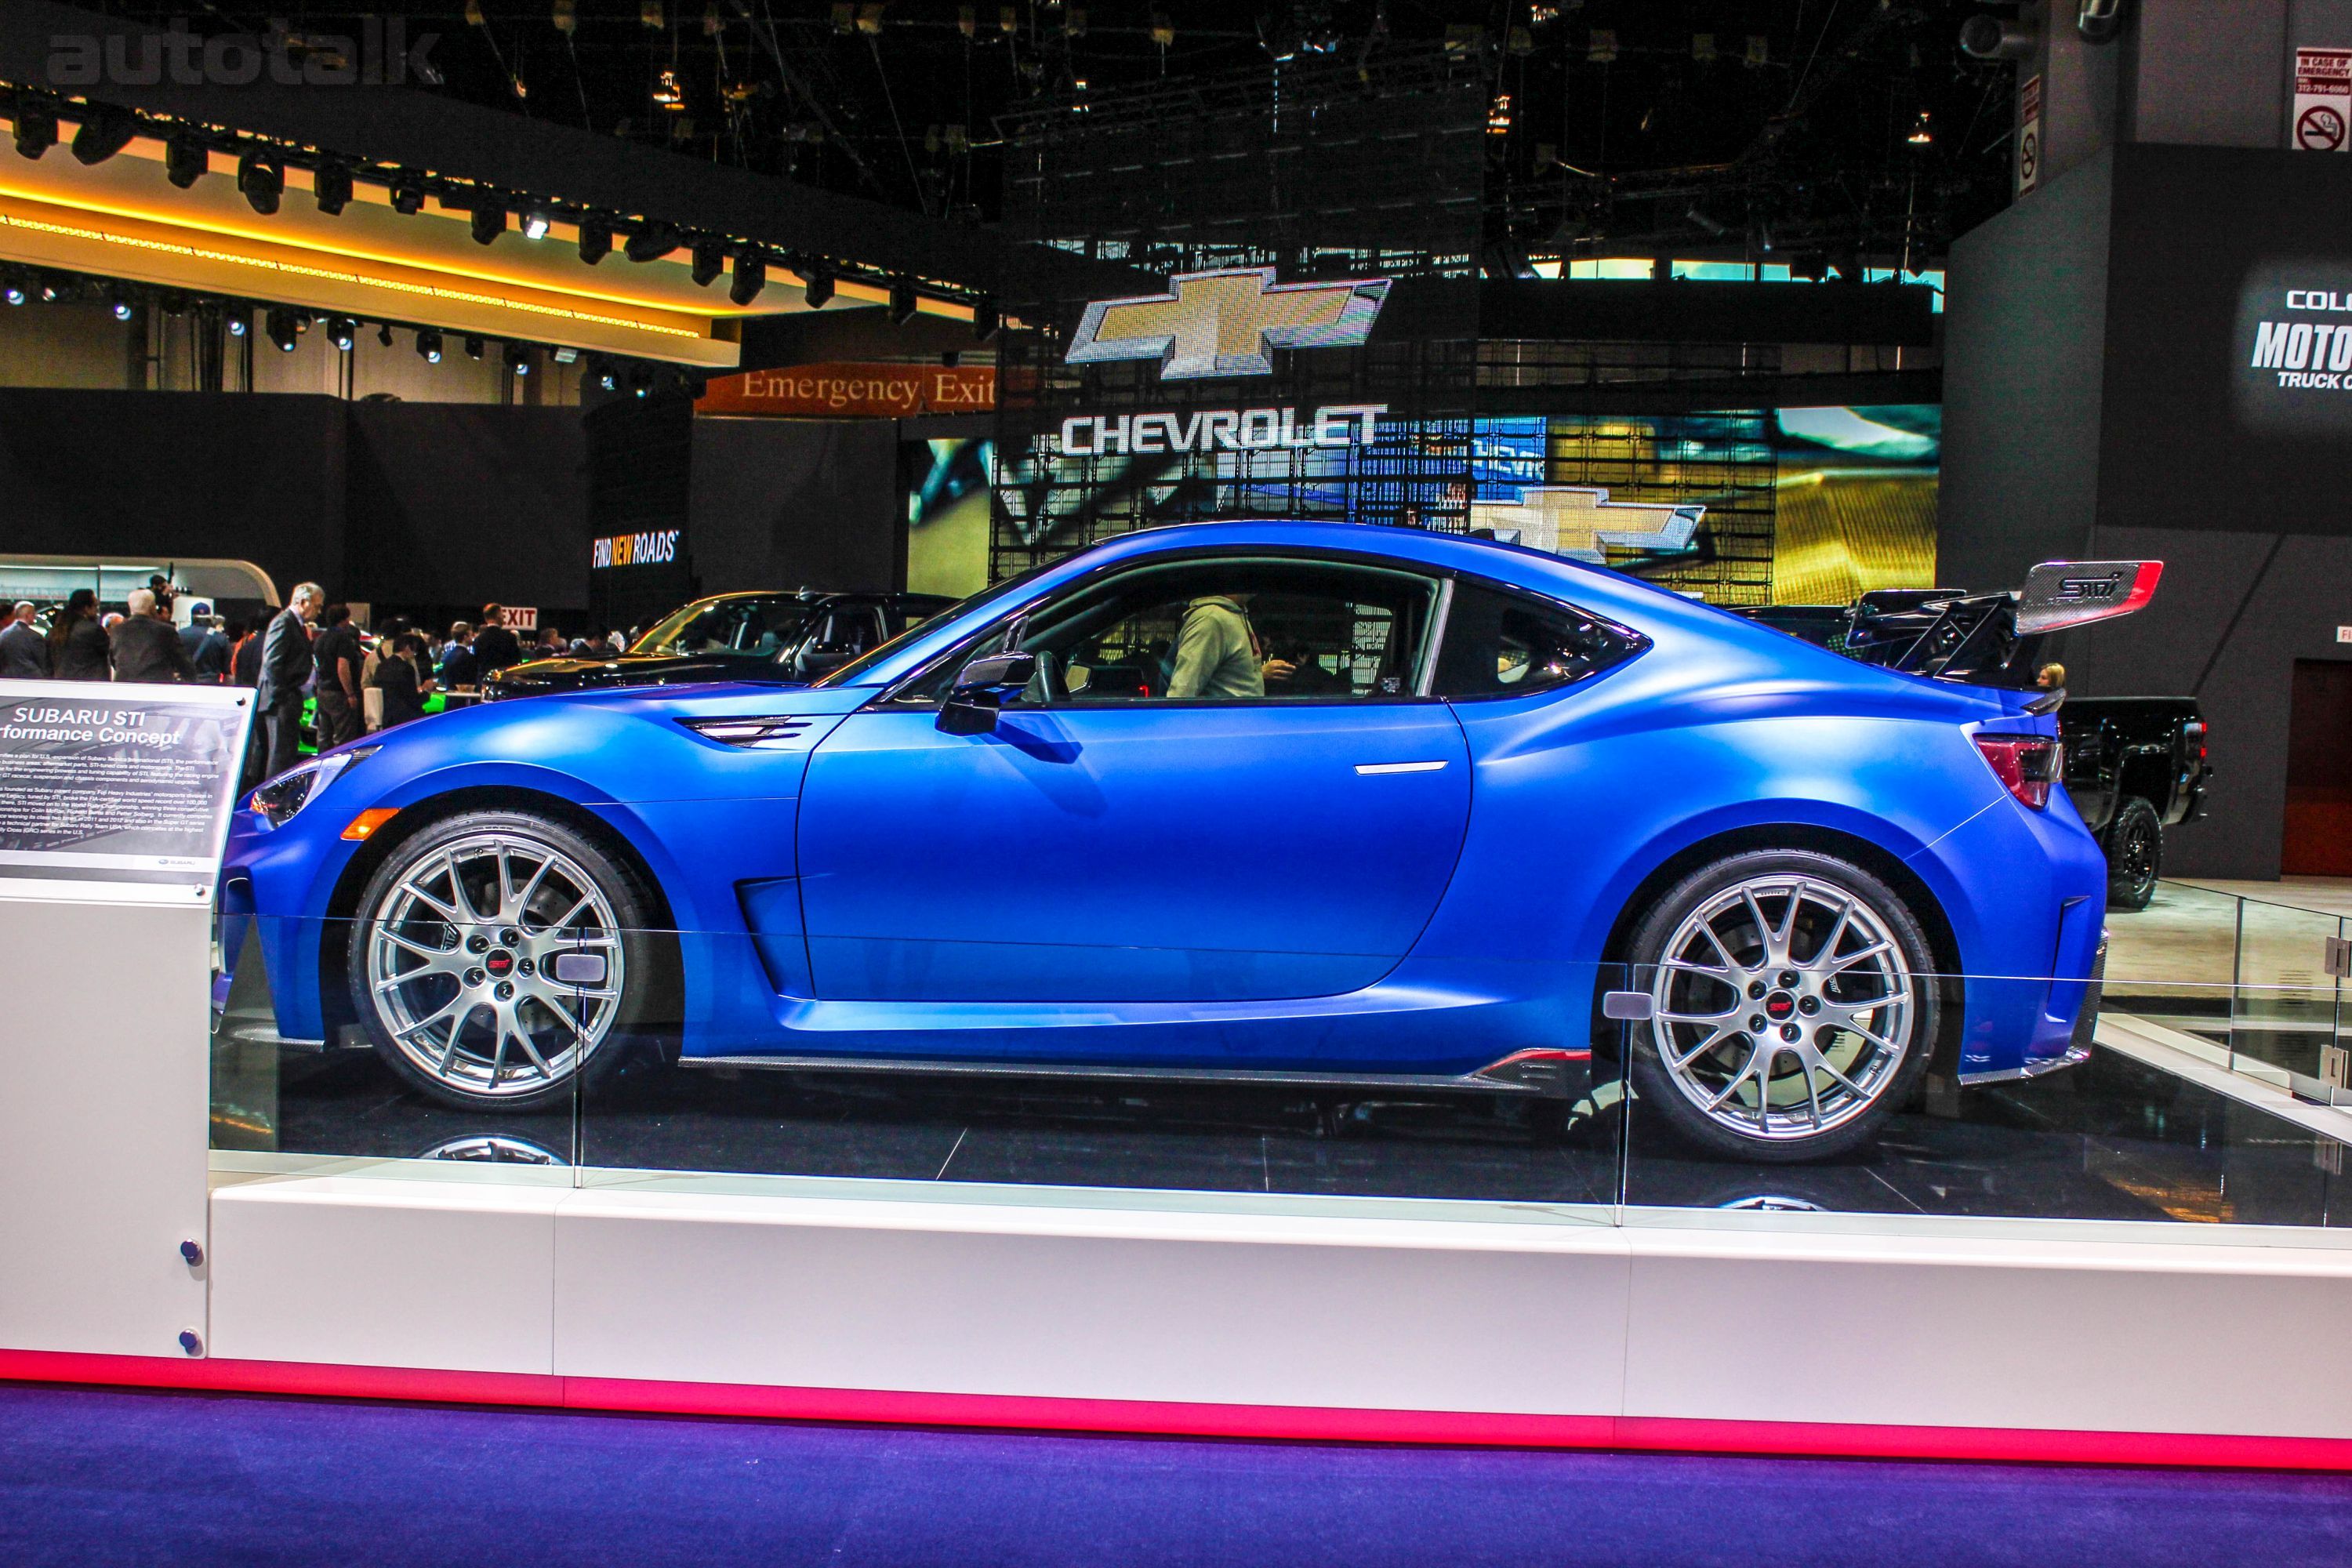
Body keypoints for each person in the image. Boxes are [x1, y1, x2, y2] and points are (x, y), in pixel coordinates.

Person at [1165, 593, 1292, 700]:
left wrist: (1258, 674)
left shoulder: (1235, 614)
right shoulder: (1211, 619)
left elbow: (1225, 676)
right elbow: (1183, 690)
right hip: (1225, 725)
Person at [256, 583, 322, 781]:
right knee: (280, 757)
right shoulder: (284, 622)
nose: (319, 612)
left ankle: (275, 801)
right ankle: (273, 804)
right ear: (303, 602)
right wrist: (281, 697)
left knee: (283, 755)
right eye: (317, 606)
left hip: (286, 697)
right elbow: (272, 663)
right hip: (280, 701)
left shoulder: (293, 623)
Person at [109, 588, 198, 684]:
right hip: (156, 687)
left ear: (130, 606)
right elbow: (184, 663)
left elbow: (113, 660)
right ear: (152, 607)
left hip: (124, 687)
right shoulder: (166, 631)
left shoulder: (117, 631)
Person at [312, 604, 365, 750]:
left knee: (324, 735)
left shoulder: (320, 639)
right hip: (339, 693)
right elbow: (342, 667)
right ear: (344, 620)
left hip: (323, 691)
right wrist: (350, 694)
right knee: (343, 737)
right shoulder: (343, 638)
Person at [370, 631, 435, 728]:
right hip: (404, 718)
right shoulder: (406, 668)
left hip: (386, 716)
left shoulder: (381, 666)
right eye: (414, 651)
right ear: (407, 648)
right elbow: (413, 700)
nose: (414, 654)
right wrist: (426, 690)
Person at [49, 590, 110, 681]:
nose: (97, 610)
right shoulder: (94, 630)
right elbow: (109, 652)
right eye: (95, 606)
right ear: (86, 608)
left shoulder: (55, 632)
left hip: (62, 683)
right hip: (90, 685)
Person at [0, 601, 49, 678]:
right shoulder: (35, 637)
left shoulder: (3, 634)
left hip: (7, 678)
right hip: (31, 679)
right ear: (28, 615)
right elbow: (43, 662)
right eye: (33, 614)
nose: (35, 616)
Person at [472, 604, 521, 674]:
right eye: (502, 614)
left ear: (486, 619)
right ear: (498, 615)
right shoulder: (510, 638)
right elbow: (517, 664)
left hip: (484, 682)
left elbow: (476, 665)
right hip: (504, 681)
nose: (503, 617)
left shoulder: (478, 640)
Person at [190, 615, 232, 684]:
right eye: (220, 626)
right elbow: (227, 669)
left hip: (187, 682)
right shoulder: (221, 639)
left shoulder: (180, 634)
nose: (223, 629)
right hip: (212, 683)